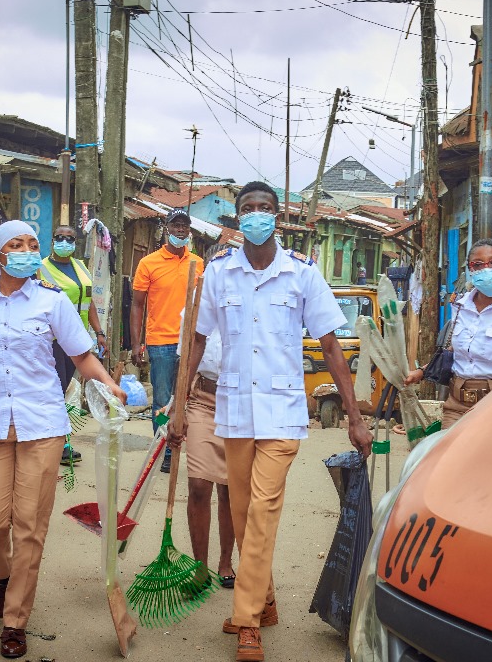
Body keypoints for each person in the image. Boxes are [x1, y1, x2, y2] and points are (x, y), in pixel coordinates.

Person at [168, 181, 372, 662]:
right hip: (234, 412)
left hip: (282, 414)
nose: (256, 215)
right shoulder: (219, 273)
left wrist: (354, 416)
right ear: (238, 219)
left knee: (260, 511)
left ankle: (247, 620)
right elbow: (197, 342)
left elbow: (329, 346)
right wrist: (179, 404)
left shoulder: (301, 274)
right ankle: (267, 598)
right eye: (248, 209)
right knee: (241, 515)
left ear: (277, 217)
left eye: (264, 208)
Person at [0, 220, 126, 660]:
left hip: (42, 423)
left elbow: (81, 355)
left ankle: (15, 619)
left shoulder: (52, 303)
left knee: (30, 525)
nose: (28, 251)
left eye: (33, 244)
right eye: (16, 244)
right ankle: (3, 571)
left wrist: (108, 385)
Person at [403, 239, 492, 429]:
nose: (487, 269)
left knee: (490, 458)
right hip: (456, 405)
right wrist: (422, 371)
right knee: (449, 456)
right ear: (471, 270)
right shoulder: (459, 305)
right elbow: (455, 352)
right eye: (478, 264)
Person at [130, 208, 202, 473]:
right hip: (160, 342)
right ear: (166, 228)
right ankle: (163, 450)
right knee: (162, 400)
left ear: (189, 230)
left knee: (186, 397)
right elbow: (137, 305)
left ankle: (182, 446)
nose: (180, 230)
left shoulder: (198, 263)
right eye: (175, 225)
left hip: (190, 342)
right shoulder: (148, 263)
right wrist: (136, 343)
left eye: (184, 226)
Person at [181, 244, 236, 590]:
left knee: (231, 490)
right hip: (202, 398)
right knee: (199, 485)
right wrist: (177, 405)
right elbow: (185, 359)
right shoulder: (194, 308)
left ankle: (225, 562)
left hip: (238, 404)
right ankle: (199, 566)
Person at [36, 224, 105, 465]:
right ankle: (52, 444)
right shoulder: (41, 268)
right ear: (52, 240)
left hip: (76, 341)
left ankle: (58, 442)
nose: (65, 242)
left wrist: (99, 332)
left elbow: (90, 303)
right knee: (54, 392)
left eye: (70, 238)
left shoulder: (80, 266)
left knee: (63, 391)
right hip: (51, 341)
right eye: (60, 237)